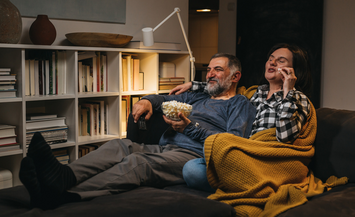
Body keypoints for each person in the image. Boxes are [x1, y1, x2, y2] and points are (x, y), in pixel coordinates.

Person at [19, 53, 256, 209]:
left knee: (138, 162)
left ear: (235, 76)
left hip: (194, 155)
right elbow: (164, 97)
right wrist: (146, 101)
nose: (210, 74)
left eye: (217, 69)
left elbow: (232, 143)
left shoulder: (240, 104)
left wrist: (190, 128)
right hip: (166, 147)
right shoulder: (197, 95)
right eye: (209, 70)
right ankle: (63, 177)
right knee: (119, 145)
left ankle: (67, 196)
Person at [175, 43, 312, 192]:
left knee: (192, 170)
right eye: (270, 59)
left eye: (281, 60)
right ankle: (243, 183)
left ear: (293, 70)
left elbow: (286, 136)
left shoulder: (298, 98)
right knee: (194, 166)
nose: (272, 62)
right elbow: (226, 85)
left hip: (266, 161)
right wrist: (193, 85)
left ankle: (250, 185)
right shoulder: (256, 93)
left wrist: (289, 92)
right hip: (243, 156)